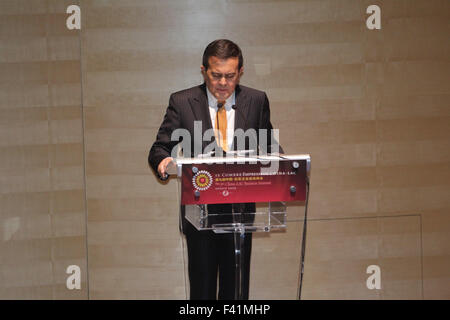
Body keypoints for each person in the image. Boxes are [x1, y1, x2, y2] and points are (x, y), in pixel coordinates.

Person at [148, 39, 281, 299]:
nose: (223, 83)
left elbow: (270, 147)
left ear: (240, 72)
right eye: (216, 75)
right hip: (199, 216)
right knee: (203, 293)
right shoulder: (182, 101)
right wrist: (164, 162)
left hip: (240, 215)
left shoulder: (256, 101)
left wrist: (286, 167)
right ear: (203, 70)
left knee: (236, 294)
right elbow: (159, 149)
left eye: (230, 76)